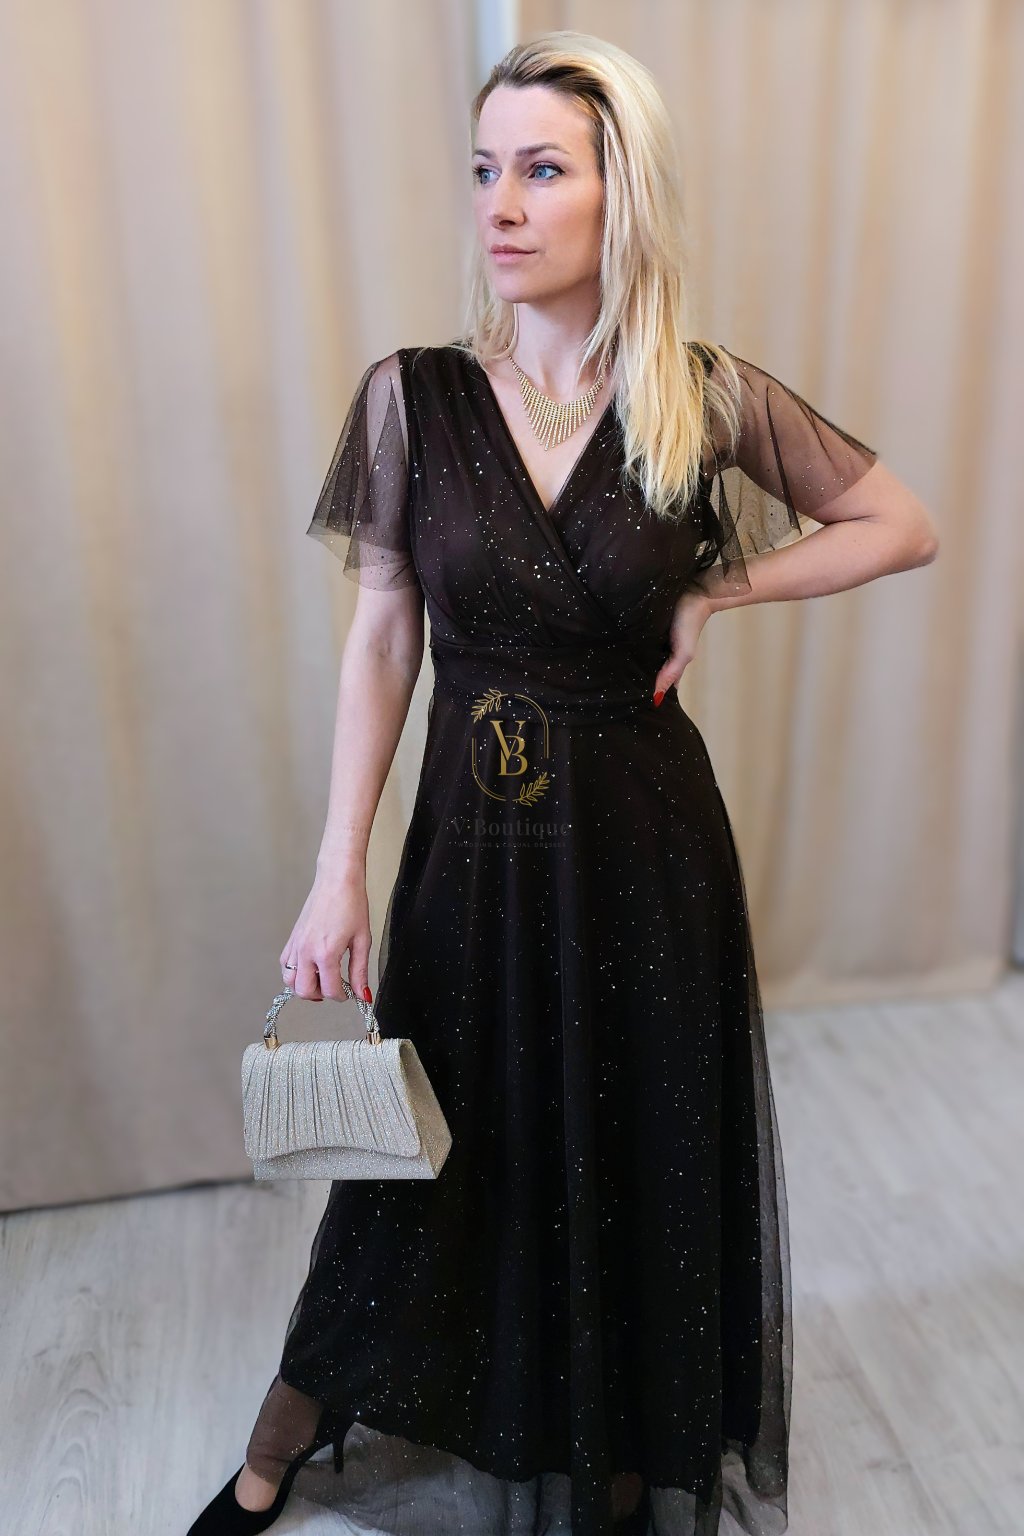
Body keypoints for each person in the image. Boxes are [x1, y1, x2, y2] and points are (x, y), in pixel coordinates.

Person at [186, 29, 938, 1536]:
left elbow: (899, 523)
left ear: (620, 194)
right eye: (486, 171)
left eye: (542, 170)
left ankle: (612, 1455)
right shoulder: (414, 397)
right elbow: (383, 636)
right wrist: (339, 869)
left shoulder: (698, 397)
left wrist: (724, 589)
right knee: (421, 1158)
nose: (503, 205)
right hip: (468, 846)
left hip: (645, 850)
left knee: (626, 1155)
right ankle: (286, 1438)